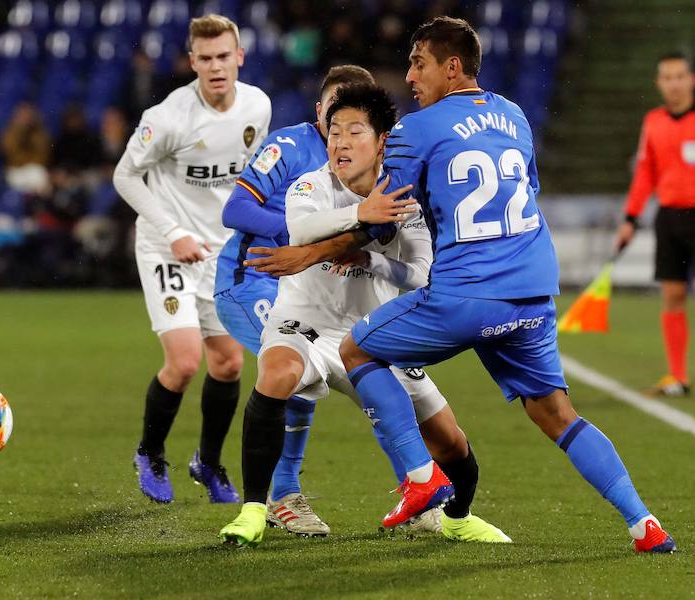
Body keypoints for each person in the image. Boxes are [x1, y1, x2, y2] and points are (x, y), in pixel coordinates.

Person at [251, 16, 675, 554]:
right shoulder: (515, 116)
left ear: (452, 67)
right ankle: (643, 524)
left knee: (356, 347)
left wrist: (309, 251)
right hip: (532, 294)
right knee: (557, 414)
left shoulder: (415, 129)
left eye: (418, 63)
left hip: (465, 294)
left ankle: (421, 477)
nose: (409, 76)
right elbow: (526, 191)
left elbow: (381, 220)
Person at [215, 68, 503, 542]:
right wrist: (360, 215)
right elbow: (303, 232)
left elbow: (419, 274)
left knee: (448, 438)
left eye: (354, 132)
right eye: (334, 131)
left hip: (370, 337)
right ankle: (253, 509)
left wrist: (370, 256)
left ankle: (456, 517)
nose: (340, 142)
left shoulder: (405, 198)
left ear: (381, 141)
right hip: (301, 323)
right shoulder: (310, 185)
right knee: (276, 375)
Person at [113, 15, 271, 505]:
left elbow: (252, 180)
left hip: (221, 252)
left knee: (227, 365)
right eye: (205, 59)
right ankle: (151, 452)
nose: (216, 66)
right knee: (184, 363)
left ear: (239, 57)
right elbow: (125, 176)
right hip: (169, 247)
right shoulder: (168, 118)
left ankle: (208, 462)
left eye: (224, 56)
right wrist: (174, 232)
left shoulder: (257, 106)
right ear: (192, 62)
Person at [614, 52, 695, 398]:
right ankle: (677, 377)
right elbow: (645, 173)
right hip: (670, 219)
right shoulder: (654, 121)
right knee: (673, 296)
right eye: (667, 77)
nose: (674, 83)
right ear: (658, 83)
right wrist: (630, 218)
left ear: (691, 79)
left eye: (679, 76)